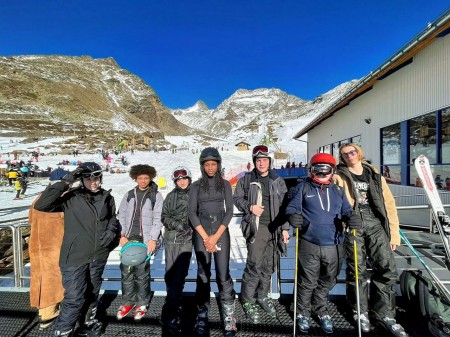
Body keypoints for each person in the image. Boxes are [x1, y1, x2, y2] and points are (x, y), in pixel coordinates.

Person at [34, 162, 121, 337]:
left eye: (96, 177)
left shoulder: (106, 197)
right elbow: (42, 205)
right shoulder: (71, 197)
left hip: (98, 255)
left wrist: (111, 232)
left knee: (92, 293)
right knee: (74, 298)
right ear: (81, 179)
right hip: (75, 256)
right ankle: (63, 331)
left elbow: (112, 217)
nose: (93, 182)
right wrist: (66, 181)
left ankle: (87, 324)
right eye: (88, 178)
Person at [333, 143, 409, 337]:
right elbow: (334, 201)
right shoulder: (338, 176)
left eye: (352, 152)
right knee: (356, 270)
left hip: (375, 223)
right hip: (353, 224)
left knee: (386, 268)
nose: (349, 156)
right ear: (342, 158)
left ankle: (384, 313)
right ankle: (360, 311)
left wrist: (394, 233)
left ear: (359, 153)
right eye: (345, 154)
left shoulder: (374, 175)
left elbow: (389, 204)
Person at [285, 153, 352, 334]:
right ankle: (303, 312)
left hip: (334, 243)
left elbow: (348, 210)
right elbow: (292, 207)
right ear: (311, 171)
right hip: (310, 241)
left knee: (329, 279)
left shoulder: (338, 191)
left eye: (326, 170)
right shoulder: (304, 188)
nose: (322, 174)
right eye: (318, 170)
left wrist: (352, 219)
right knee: (307, 280)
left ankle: (320, 308)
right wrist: (294, 217)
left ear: (332, 171)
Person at [233, 144, 290, 323]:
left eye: (265, 160)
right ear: (254, 162)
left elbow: (285, 207)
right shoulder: (246, 179)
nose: (261, 163)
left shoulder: (278, 180)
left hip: (275, 228)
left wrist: (285, 229)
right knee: (254, 265)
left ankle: (262, 296)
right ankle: (247, 299)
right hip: (257, 228)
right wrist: (250, 207)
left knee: (269, 265)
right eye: (258, 160)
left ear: (269, 161)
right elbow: (237, 198)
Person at [188, 147, 237, 337]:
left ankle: (229, 315)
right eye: (207, 164)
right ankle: (202, 313)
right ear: (202, 166)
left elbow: (230, 211)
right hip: (201, 232)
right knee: (203, 274)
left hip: (220, 232)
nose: (210, 167)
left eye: (213, 164)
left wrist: (215, 237)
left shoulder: (224, 184)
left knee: (223, 274)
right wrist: (205, 237)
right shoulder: (195, 186)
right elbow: (192, 212)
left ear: (218, 164)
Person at [116, 164, 163, 322]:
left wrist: (153, 239)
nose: (143, 180)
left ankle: (142, 303)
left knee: (142, 273)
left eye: (146, 178)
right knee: (126, 271)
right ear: (135, 178)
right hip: (128, 239)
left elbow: (158, 219)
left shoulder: (155, 195)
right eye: (140, 178)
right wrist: (121, 234)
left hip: (145, 239)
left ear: (150, 178)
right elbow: (121, 215)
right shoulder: (129, 194)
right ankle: (127, 301)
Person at [160, 165, 193, 335]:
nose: (182, 182)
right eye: (179, 180)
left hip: (186, 240)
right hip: (171, 239)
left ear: (189, 179)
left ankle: (171, 310)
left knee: (180, 275)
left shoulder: (195, 194)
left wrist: (192, 227)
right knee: (170, 275)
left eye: (184, 178)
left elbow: (199, 215)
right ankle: (172, 308)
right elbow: (164, 216)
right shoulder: (170, 196)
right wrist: (179, 225)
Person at [29, 187, 65, 330]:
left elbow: (31, 218)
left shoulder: (39, 198)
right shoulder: (54, 202)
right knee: (53, 281)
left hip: (37, 245)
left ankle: (43, 312)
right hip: (52, 247)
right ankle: (48, 314)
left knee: (40, 279)